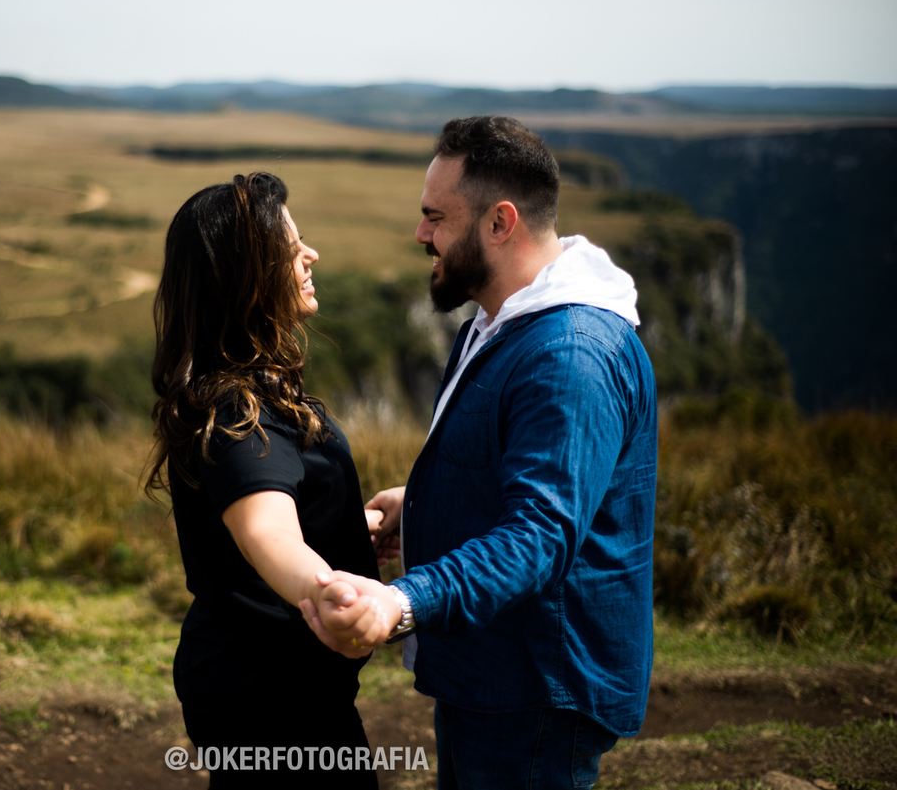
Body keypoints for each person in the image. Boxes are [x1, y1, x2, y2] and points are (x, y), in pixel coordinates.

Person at [300, 116, 658, 789]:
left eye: (436, 218)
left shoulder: (570, 355)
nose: (420, 234)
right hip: (496, 672)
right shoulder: (501, 322)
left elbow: (541, 533)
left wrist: (401, 601)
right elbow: (520, 473)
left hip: (536, 688)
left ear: (500, 222)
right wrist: (424, 503)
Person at [147, 172, 381, 789]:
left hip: (264, 690)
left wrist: (354, 527)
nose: (311, 255)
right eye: (292, 248)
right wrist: (330, 593)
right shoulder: (239, 409)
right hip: (275, 707)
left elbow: (270, 516)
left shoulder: (244, 388)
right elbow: (266, 533)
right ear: (247, 276)